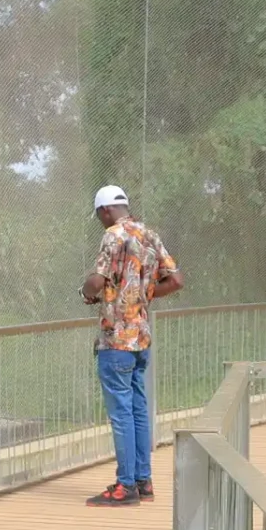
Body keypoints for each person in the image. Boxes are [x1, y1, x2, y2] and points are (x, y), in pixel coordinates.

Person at [81, 184, 183, 506]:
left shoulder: (113, 235)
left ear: (105, 210)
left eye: (100, 215)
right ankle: (143, 481)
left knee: (122, 414)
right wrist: (143, 295)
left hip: (116, 340)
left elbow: (97, 280)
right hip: (141, 339)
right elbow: (176, 280)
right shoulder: (149, 234)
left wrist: (86, 293)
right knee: (138, 410)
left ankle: (125, 486)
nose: (101, 220)